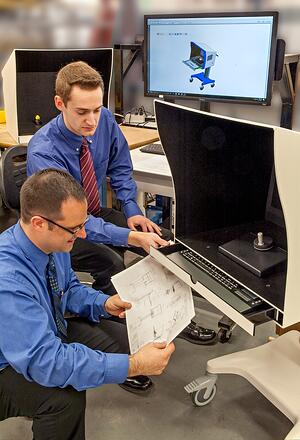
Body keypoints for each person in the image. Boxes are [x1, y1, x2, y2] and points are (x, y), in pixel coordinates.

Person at [27, 60, 216, 345]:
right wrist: (129, 237)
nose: (92, 120)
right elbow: (73, 222)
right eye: (81, 112)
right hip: (60, 231)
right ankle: (121, 341)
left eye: (96, 109)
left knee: (161, 240)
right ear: (59, 103)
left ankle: (174, 319)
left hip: (92, 213)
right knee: (110, 260)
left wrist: (131, 210)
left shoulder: (103, 121)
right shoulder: (44, 152)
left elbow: (119, 166)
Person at [0, 169, 175, 440]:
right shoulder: (8, 279)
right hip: (6, 362)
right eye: (74, 228)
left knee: (123, 341)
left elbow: (67, 289)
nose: (82, 234)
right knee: (64, 400)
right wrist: (134, 366)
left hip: (42, 332)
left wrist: (105, 303)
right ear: (38, 223)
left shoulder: (50, 244)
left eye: (83, 224)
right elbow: (44, 361)